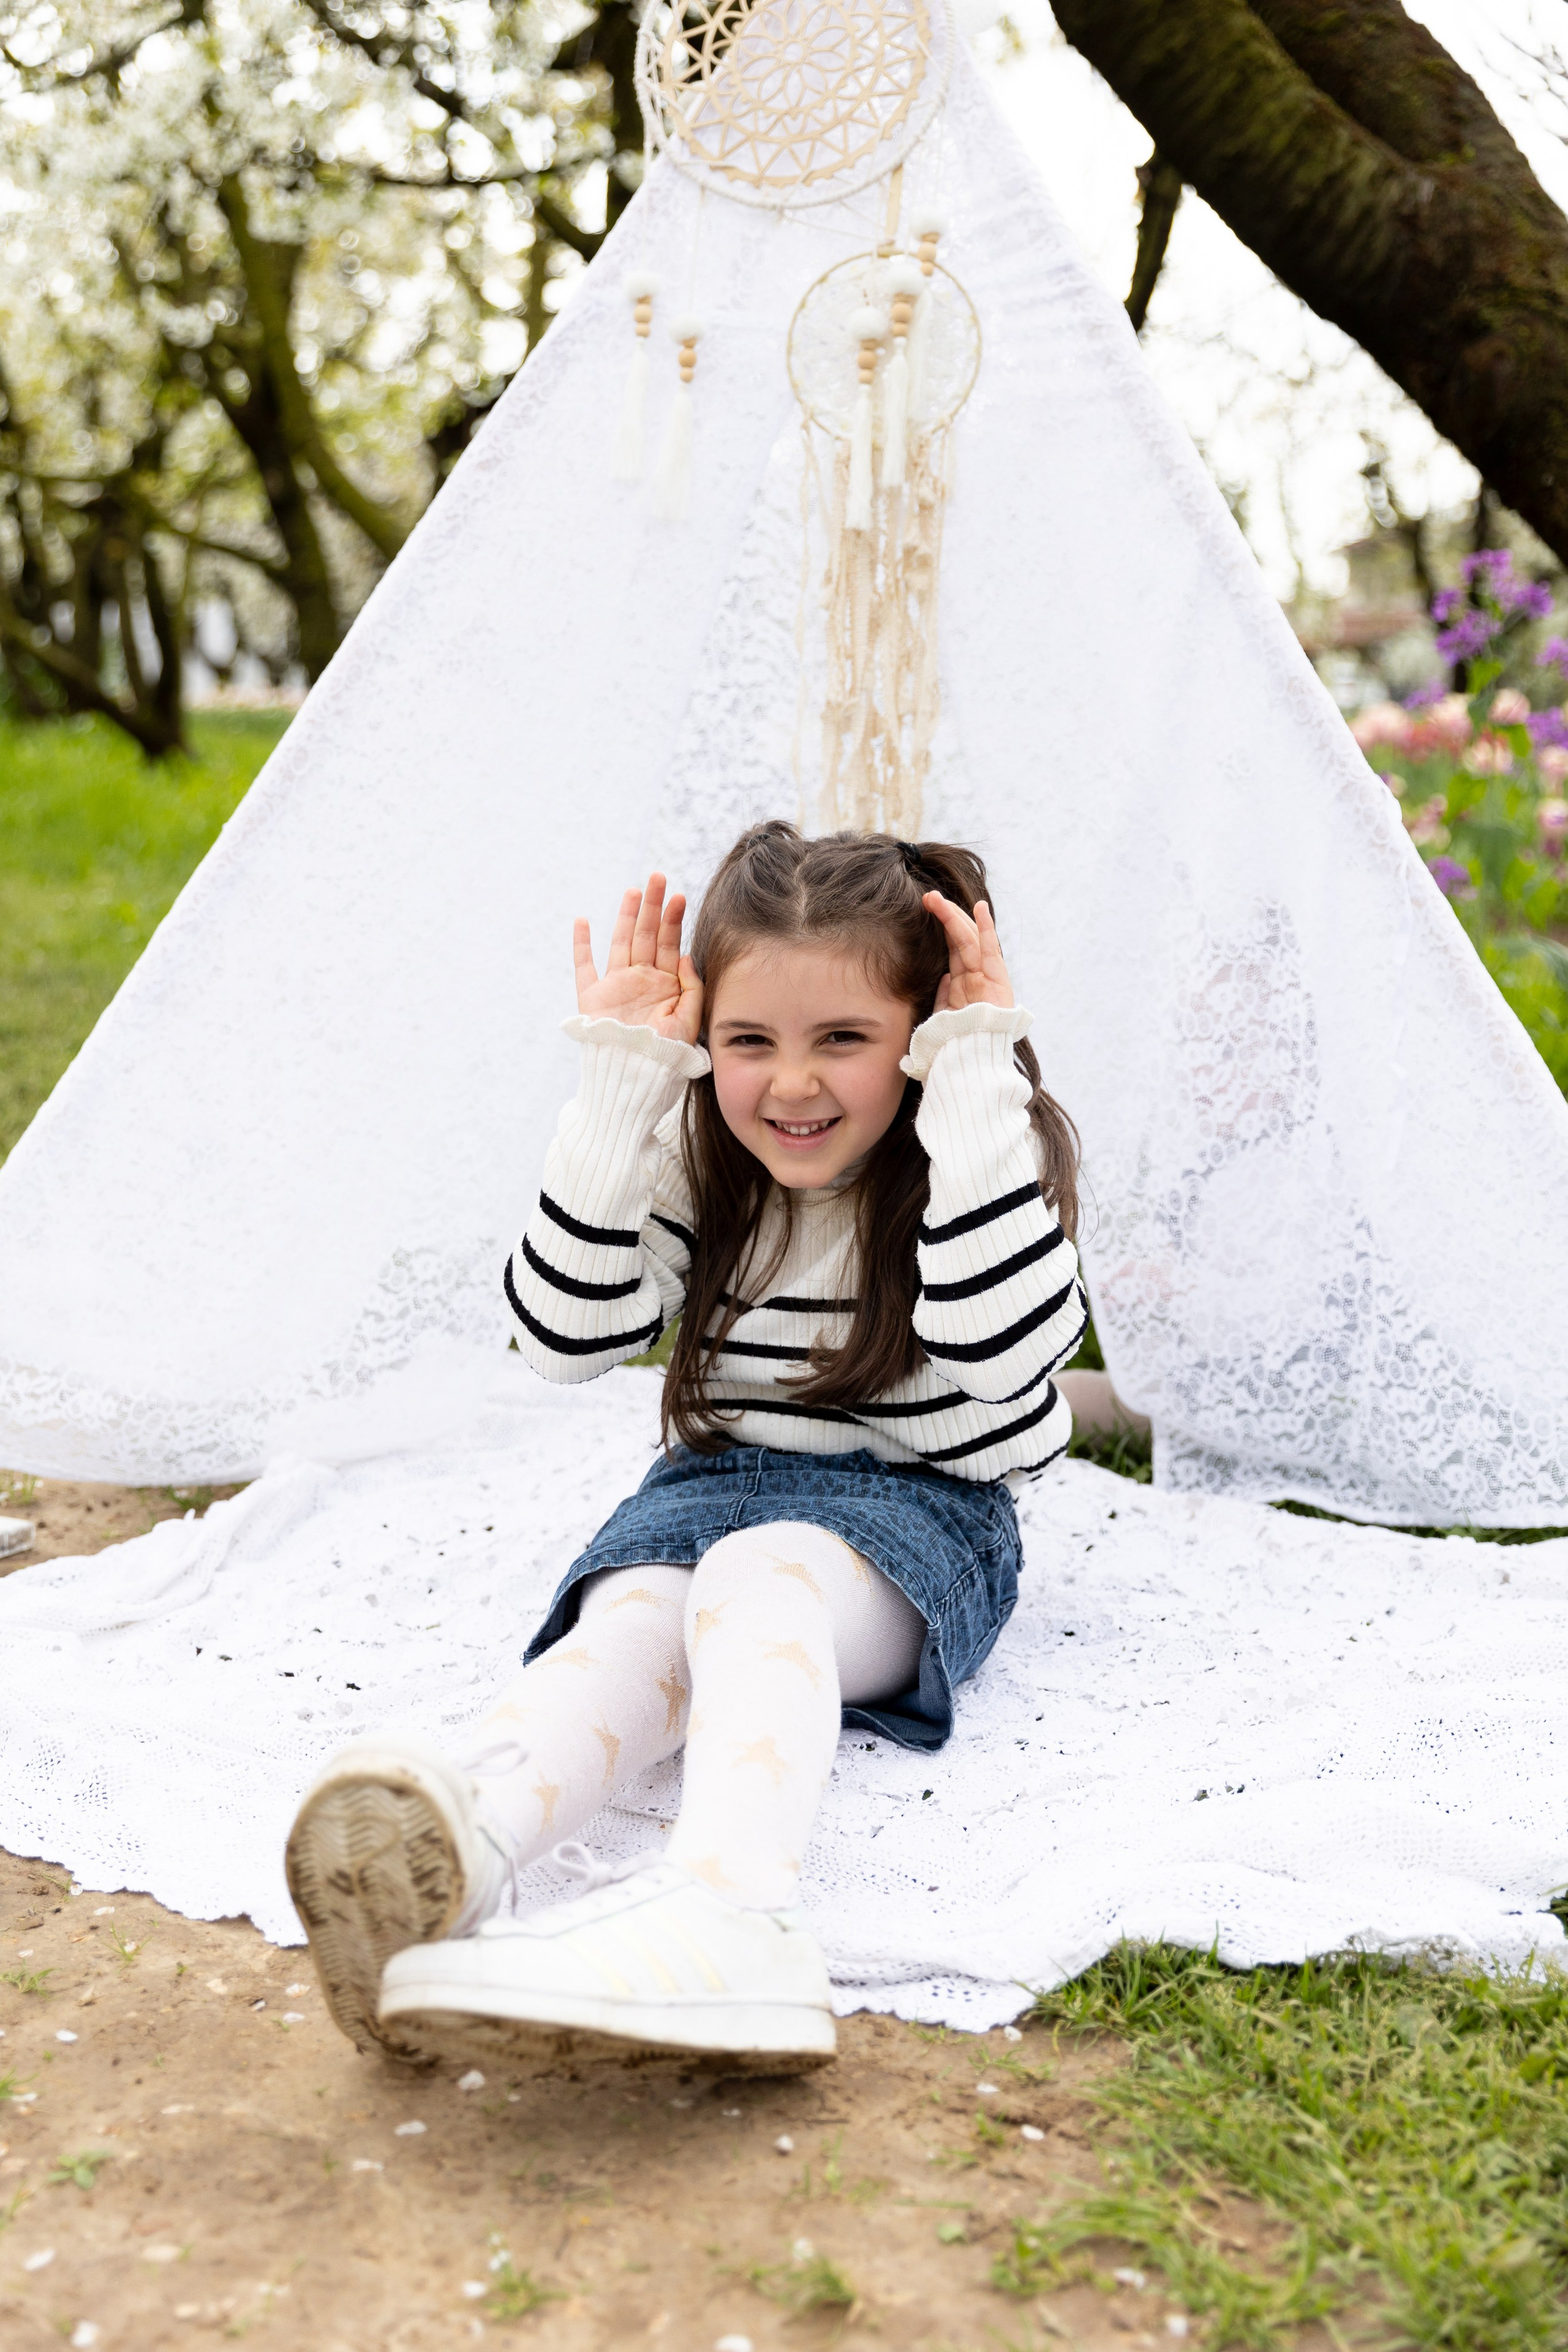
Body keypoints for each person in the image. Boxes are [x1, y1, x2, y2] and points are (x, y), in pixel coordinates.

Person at [285, 822, 1087, 2071]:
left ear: (922, 1033)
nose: (790, 1085)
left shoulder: (978, 1147)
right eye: (748, 1041)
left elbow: (1002, 1353)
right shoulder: (697, 1153)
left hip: (920, 1512)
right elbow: (561, 1338)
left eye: (844, 1039)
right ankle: (462, 1848)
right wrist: (622, 1087)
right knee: (634, 1623)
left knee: (761, 1576)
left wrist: (975, 1071)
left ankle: (732, 1911)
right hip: (706, 1488)